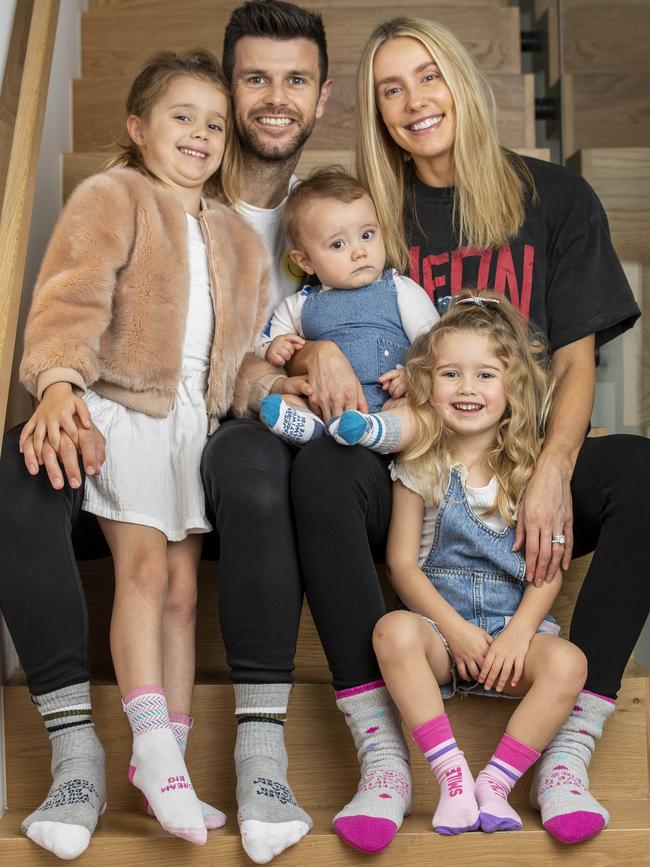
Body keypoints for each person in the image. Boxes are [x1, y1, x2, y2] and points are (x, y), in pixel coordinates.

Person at [353, 16, 650, 845]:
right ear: (377, 112)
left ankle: (569, 748)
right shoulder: (376, 215)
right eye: (391, 88)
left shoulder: (554, 197)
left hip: (525, 469)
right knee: (318, 476)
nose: (414, 101)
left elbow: (578, 364)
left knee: (643, 471)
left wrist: (554, 469)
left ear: (462, 80)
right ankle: (382, 755)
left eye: (428, 76)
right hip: (422, 477)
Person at [6, 48, 273, 855]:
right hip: (125, 411)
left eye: (215, 124)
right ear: (136, 126)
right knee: (145, 572)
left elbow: (242, 358)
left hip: (196, 427)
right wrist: (57, 383)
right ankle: (151, 749)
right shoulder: (113, 196)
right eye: (180, 117)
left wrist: (280, 378)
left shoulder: (238, 238)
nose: (200, 134)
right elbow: (69, 300)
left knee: (186, 594)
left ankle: (173, 765)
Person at [372, 292, 587, 838]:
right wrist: (455, 631)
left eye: (485, 374)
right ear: (427, 384)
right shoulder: (419, 463)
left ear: (511, 387)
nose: (467, 388)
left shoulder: (533, 471)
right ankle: (451, 778)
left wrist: (517, 636)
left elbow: (549, 567)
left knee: (568, 665)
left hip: (514, 634)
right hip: (445, 634)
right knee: (392, 633)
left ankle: (494, 784)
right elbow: (402, 566)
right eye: (450, 373)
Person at [256, 167, 438, 446]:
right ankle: (310, 427)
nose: (359, 251)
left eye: (367, 235)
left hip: (389, 401)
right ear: (305, 262)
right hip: (322, 403)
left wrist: (414, 376)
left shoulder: (400, 290)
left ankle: (373, 431)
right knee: (283, 400)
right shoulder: (299, 304)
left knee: (417, 414)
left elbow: (435, 344)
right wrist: (274, 347)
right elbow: (264, 344)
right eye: (338, 244)